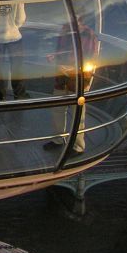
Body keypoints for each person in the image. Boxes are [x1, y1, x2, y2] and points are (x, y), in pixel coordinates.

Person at [44, 16, 99, 153]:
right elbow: (61, 51)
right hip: (62, 77)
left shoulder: (89, 36)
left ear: (80, 22)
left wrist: (74, 71)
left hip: (78, 79)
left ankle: (78, 146)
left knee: (78, 114)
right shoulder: (66, 32)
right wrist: (54, 57)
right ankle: (58, 139)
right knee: (57, 109)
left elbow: (90, 60)